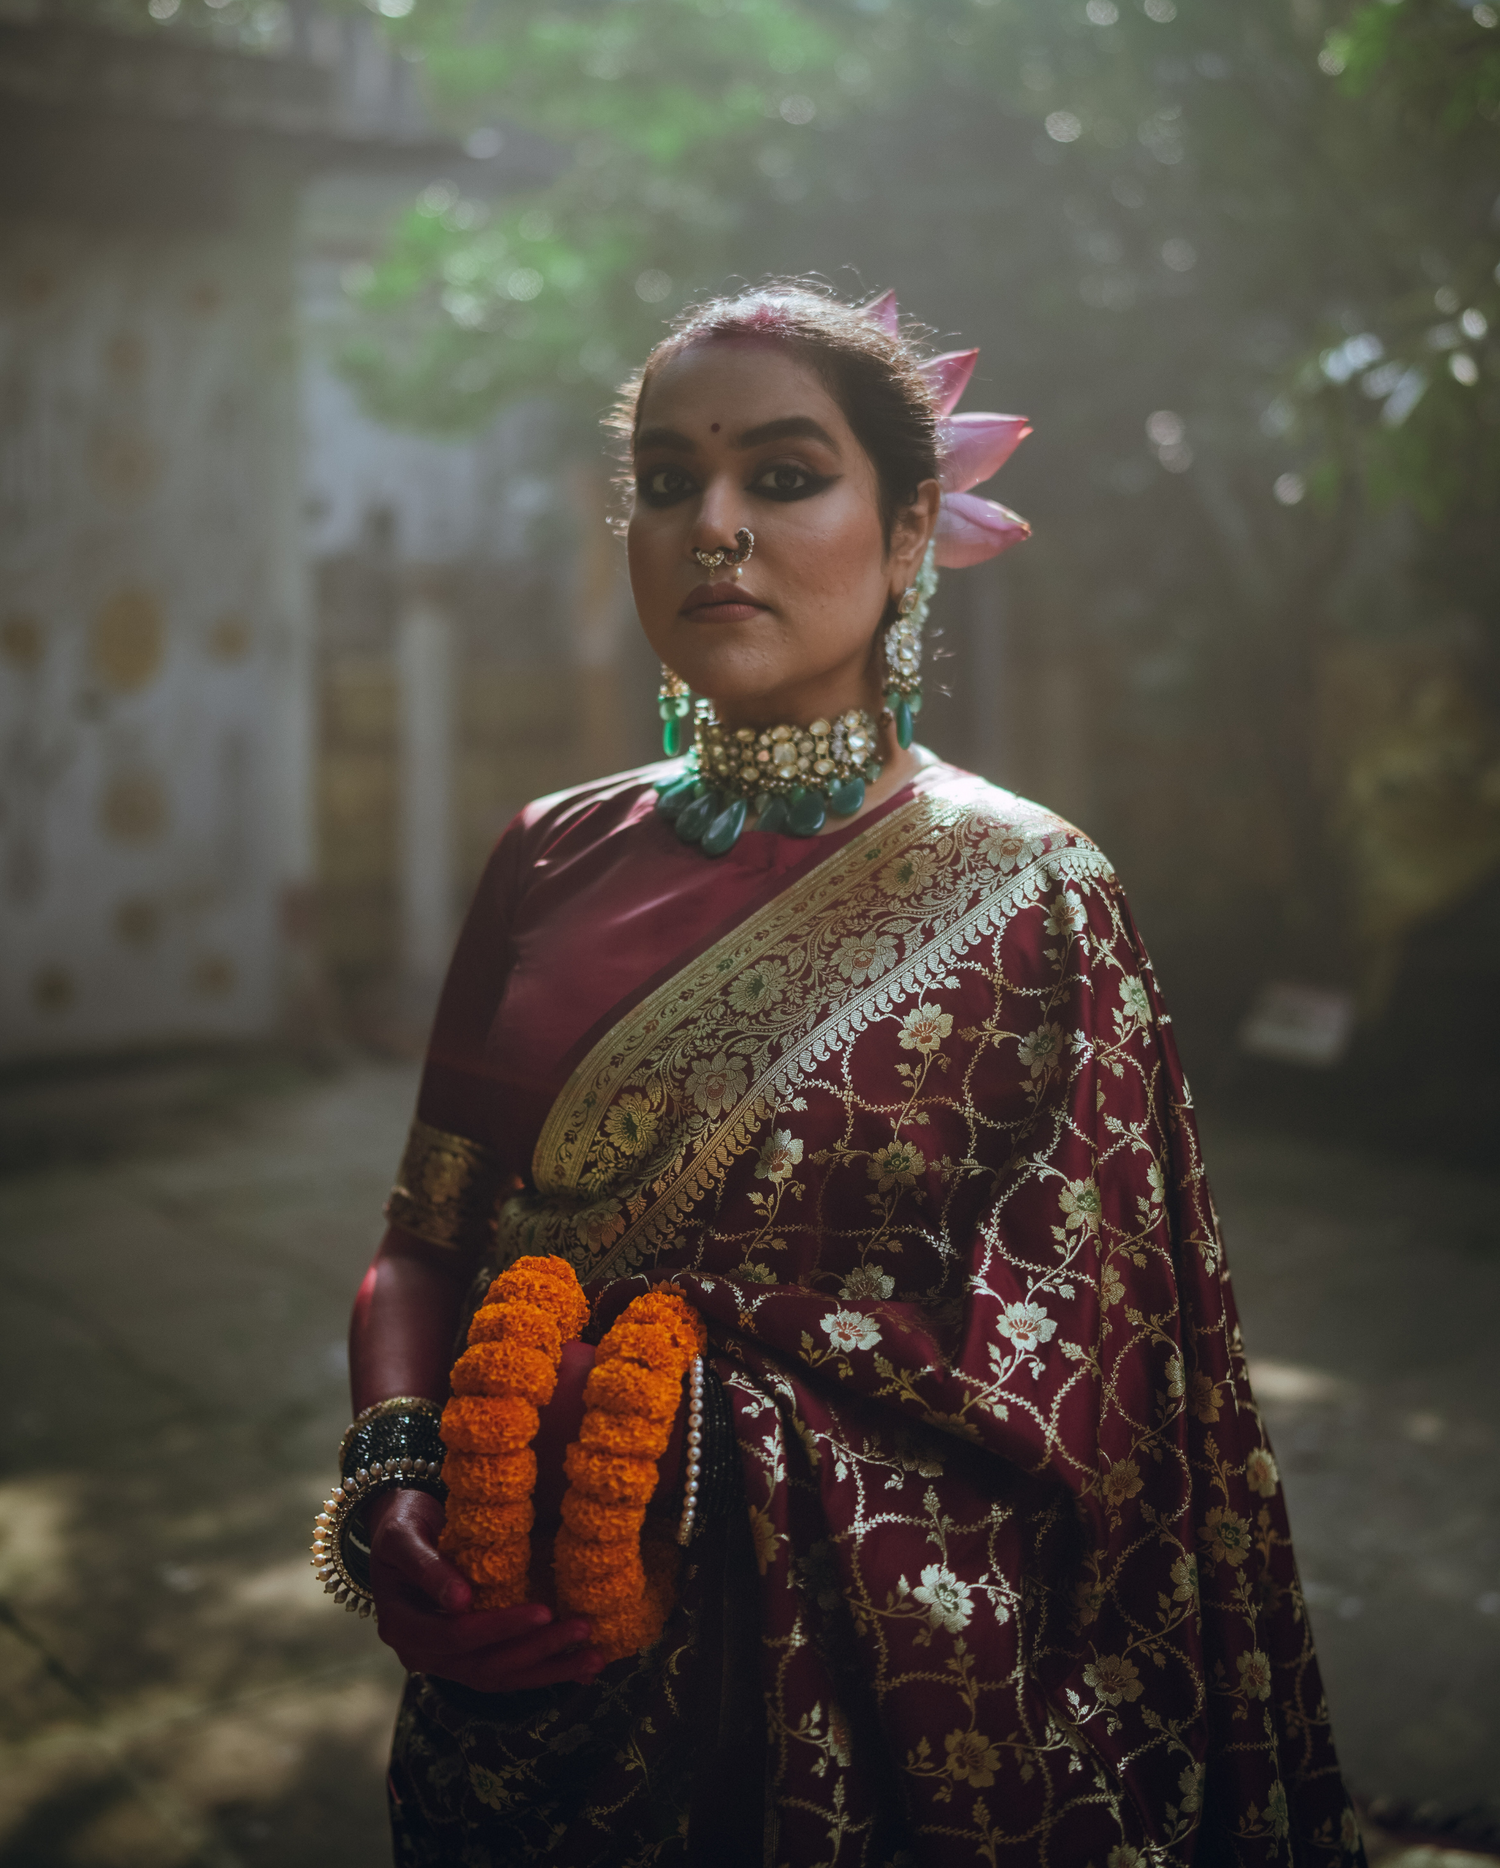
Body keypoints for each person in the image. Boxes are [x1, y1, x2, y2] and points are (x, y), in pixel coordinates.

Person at [324, 286, 1363, 1866]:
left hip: (879, 1731)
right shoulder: (546, 854)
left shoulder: (1033, 894)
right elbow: (425, 1234)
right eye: (668, 482)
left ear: (912, 531)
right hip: (515, 1685)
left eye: (786, 476)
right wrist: (399, 1475)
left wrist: (689, 1454)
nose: (712, 528)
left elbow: (1092, 1377)